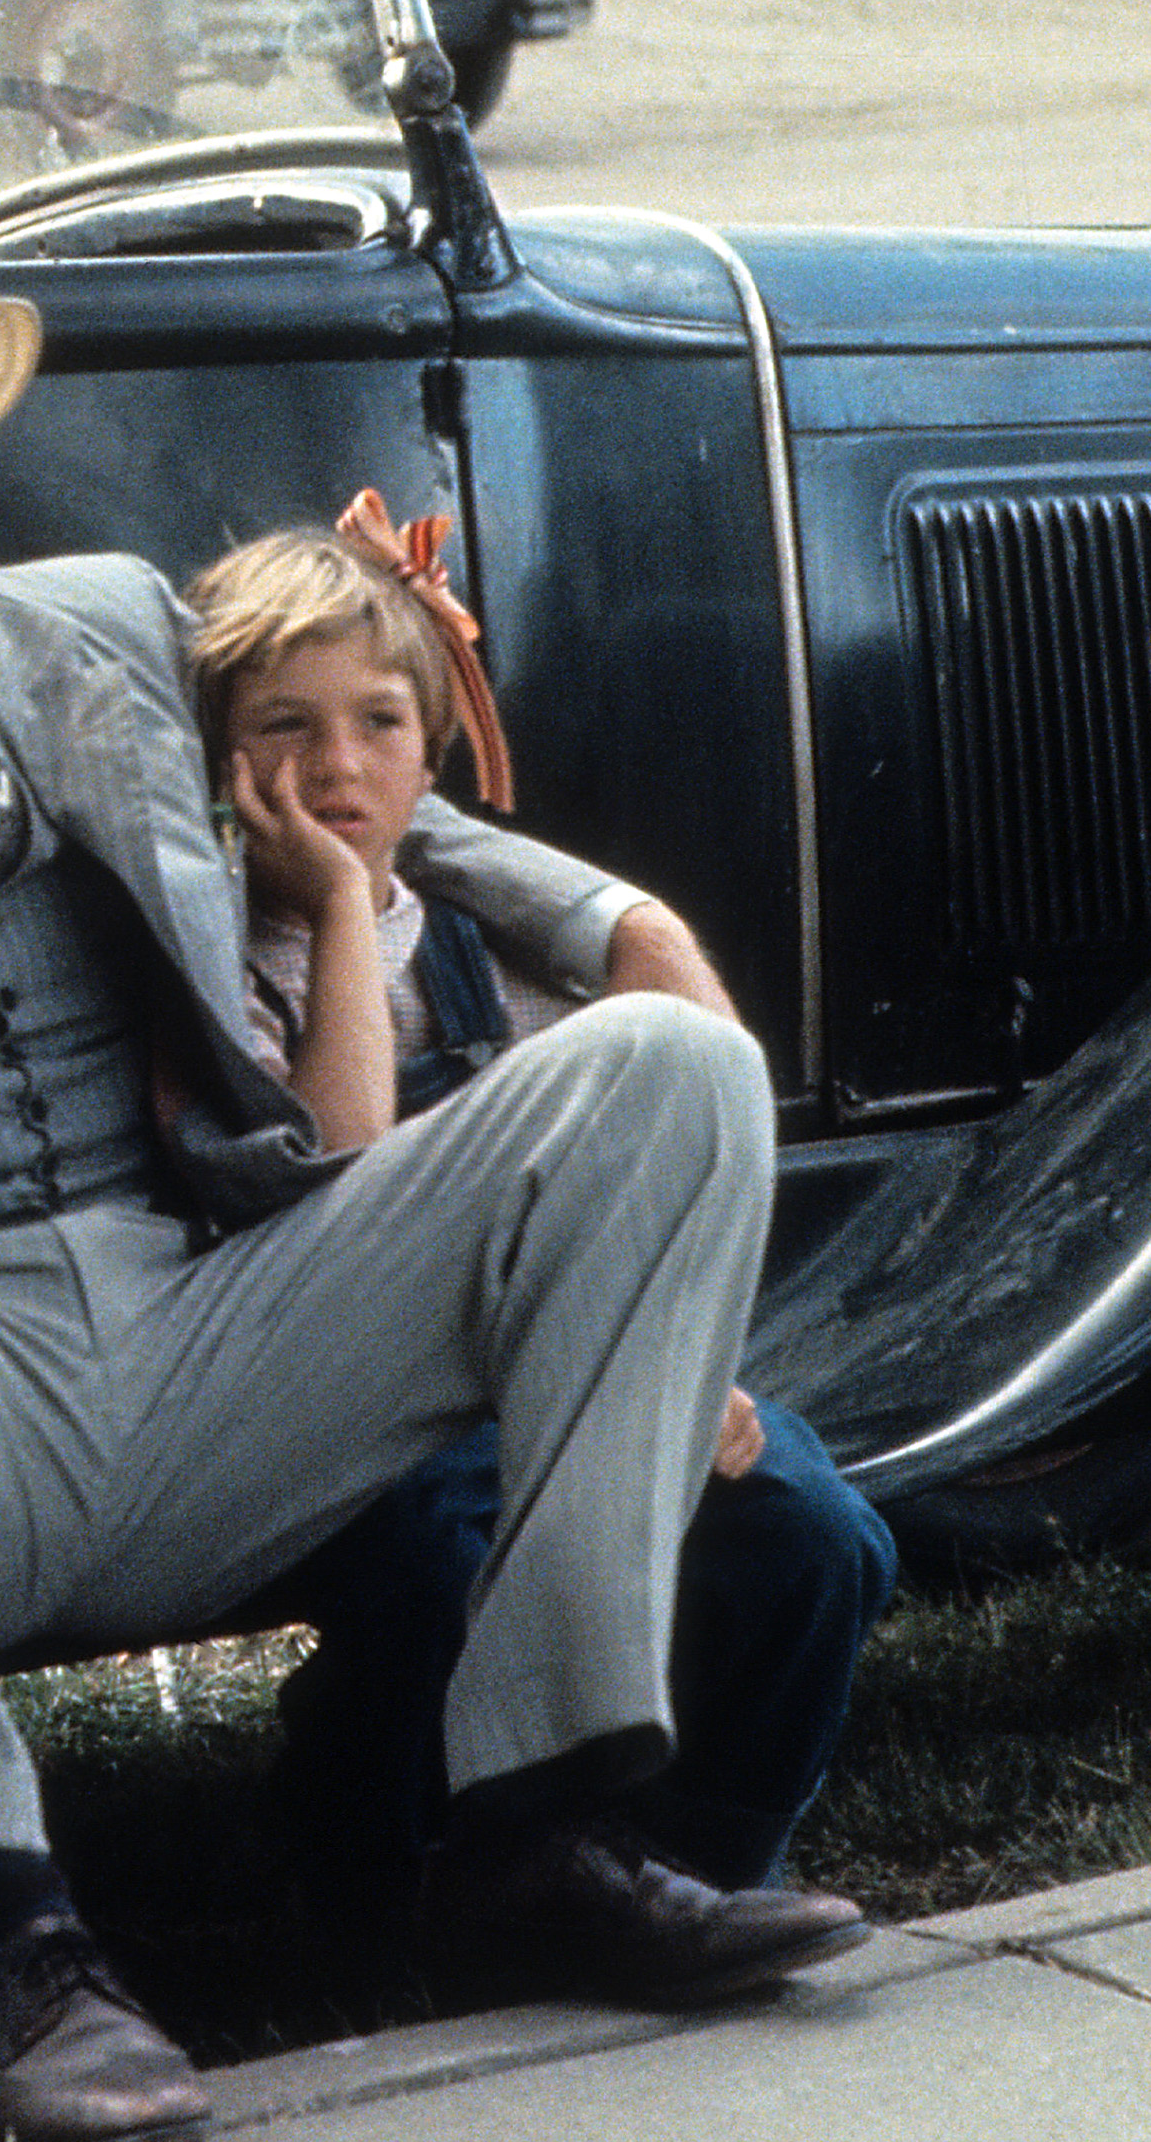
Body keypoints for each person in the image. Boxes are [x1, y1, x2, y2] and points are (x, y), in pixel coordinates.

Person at [0, 144, 868, 2142]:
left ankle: (532, 1826)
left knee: (661, 1070)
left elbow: (352, 789)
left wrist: (601, 921)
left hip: (211, 1322)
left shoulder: (96, 625)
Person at [183, 521, 895, 1920]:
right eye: (286, 727)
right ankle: (405, 1843)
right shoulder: (213, 967)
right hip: (330, 1408)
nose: (336, 766)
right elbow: (344, 1191)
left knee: (814, 1531)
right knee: (445, 1542)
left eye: (379, 723)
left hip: (531, 1375)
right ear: (221, 759)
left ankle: (702, 1853)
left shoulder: (478, 942)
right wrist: (334, 903)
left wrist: (679, 1367)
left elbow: (653, 1158)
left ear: (431, 753)